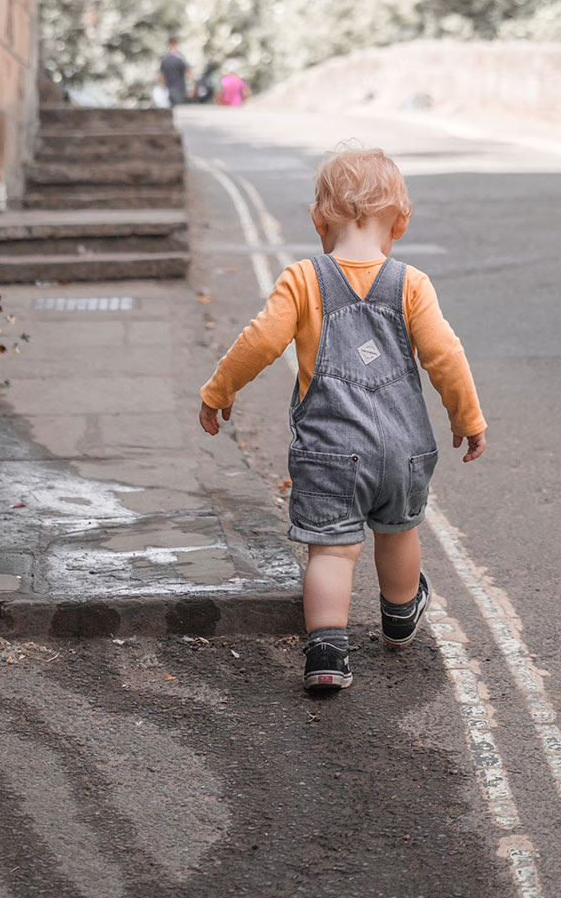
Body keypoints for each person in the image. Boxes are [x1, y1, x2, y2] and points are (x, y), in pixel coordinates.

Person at [199, 145, 487, 692]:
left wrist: (219, 390)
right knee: (398, 532)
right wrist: (466, 416)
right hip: (403, 449)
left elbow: (260, 341)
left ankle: (327, 654)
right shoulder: (411, 283)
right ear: (400, 222)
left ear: (317, 219)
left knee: (332, 550)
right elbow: (445, 355)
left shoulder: (304, 280)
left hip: (329, 449)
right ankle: (400, 619)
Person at [158, 35, 190, 105]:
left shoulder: (164, 58)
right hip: (180, 90)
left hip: (168, 90)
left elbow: (160, 76)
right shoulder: (180, 57)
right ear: (176, 44)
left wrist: (163, 87)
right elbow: (188, 72)